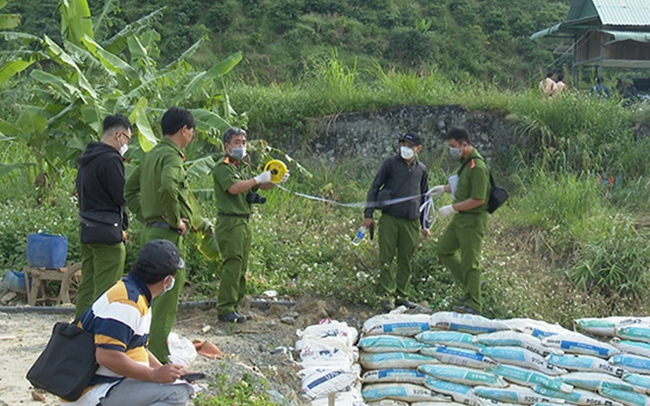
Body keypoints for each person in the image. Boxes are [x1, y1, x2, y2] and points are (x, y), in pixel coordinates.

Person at [125, 107, 211, 362]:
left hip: (150, 233)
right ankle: (158, 359)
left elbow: (129, 190)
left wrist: (147, 216)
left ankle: (140, 351)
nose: (191, 137)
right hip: (168, 238)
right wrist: (175, 220)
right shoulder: (173, 158)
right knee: (165, 300)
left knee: (146, 298)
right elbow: (167, 187)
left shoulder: (151, 156)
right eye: (192, 132)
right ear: (184, 130)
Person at [68, 239, 193, 406]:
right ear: (167, 281)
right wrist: (154, 375)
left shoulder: (135, 293)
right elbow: (106, 356)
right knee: (178, 393)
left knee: (177, 386)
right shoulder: (126, 304)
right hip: (95, 391)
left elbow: (137, 348)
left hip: (109, 384)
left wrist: (167, 371)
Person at [211, 127, 288, 323]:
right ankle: (225, 307)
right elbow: (234, 187)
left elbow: (258, 185)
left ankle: (235, 306)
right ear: (226, 146)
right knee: (233, 264)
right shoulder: (223, 166)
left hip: (244, 220)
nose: (241, 146)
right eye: (237, 142)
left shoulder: (241, 166)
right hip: (230, 221)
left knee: (242, 265)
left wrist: (275, 180)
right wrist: (258, 178)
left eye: (244, 143)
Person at [362, 133, 430, 312]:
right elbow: (374, 187)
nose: (406, 148)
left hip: (411, 221)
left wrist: (425, 225)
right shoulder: (390, 164)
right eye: (403, 144)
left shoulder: (421, 169)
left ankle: (402, 296)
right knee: (387, 257)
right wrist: (368, 214)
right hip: (390, 218)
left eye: (410, 145)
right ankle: (386, 295)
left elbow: (425, 198)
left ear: (418, 149)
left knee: (405, 259)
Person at [74, 114, 132, 320]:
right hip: (108, 232)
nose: (127, 144)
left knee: (87, 285)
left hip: (88, 229)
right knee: (107, 289)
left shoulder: (87, 158)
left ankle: (80, 329)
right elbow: (120, 196)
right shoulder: (111, 159)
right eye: (127, 139)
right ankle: (101, 334)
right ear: (118, 135)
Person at [432, 128, 489, 315]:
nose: (452, 151)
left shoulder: (478, 167)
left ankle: (474, 304)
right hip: (460, 220)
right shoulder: (466, 163)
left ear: (464, 144)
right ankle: (472, 286)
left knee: (470, 262)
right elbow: (463, 187)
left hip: (472, 221)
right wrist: (444, 189)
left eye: (453, 147)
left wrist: (452, 208)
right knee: (444, 250)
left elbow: (479, 199)